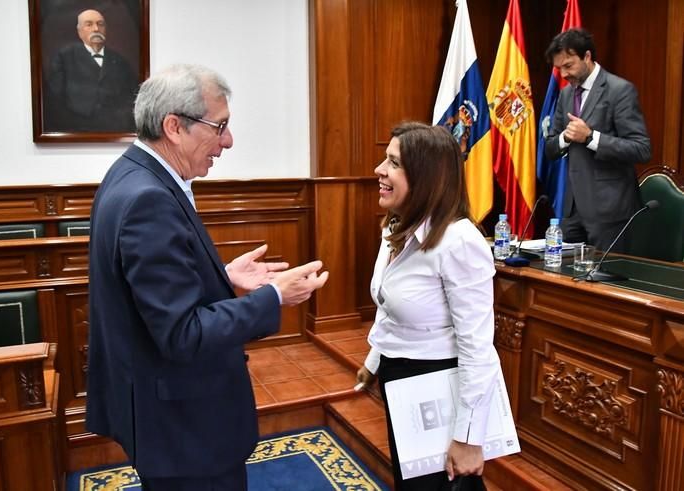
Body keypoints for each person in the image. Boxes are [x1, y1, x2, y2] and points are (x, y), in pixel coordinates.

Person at [86, 63, 329, 490]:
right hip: (184, 429)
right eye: (220, 127)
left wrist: (222, 276)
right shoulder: (148, 199)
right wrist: (273, 296)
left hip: (160, 414)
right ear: (174, 126)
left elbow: (151, 293)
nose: (228, 141)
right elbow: (183, 333)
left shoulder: (129, 174)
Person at [355, 122, 498, 490]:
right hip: (399, 375)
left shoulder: (459, 242)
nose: (379, 171)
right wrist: (375, 360)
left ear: (426, 177)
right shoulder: (397, 227)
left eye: (394, 163)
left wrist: (468, 438)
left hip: (439, 387)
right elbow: (390, 307)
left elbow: (477, 348)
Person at [544, 28, 651, 253]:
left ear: (587, 57)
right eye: (558, 68)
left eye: (569, 65)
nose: (563, 74)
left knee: (603, 281)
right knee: (562, 279)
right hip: (572, 210)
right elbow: (551, 148)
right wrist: (565, 136)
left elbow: (641, 149)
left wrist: (591, 137)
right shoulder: (565, 94)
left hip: (609, 211)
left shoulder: (619, 90)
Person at [46, 9, 138, 132]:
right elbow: (55, 101)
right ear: (79, 31)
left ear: (106, 29)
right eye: (89, 24)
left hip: (113, 130)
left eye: (100, 24)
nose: (96, 29)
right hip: (76, 129)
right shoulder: (64, 58)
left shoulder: (120, 61)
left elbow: (132, 99)